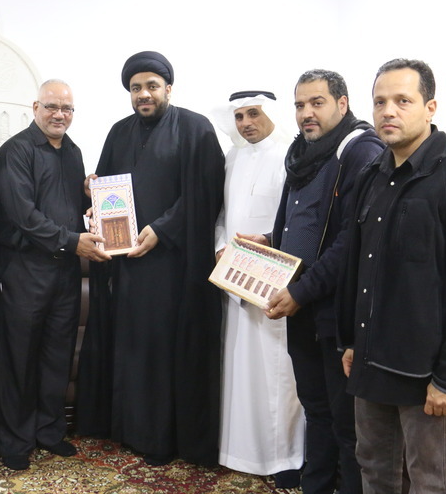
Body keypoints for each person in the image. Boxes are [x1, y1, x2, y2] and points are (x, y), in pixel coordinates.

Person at [338, 59, 446, 493]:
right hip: (371, 361)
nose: (388, 111)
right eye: (380, 102)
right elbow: (359, 266)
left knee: (429, 479)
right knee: (373, 468)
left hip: (426, 374)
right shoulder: (372, 175)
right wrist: (351, 340)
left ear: (430, 107)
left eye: (402, 101)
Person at [77, 51, 225, 466]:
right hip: (127, 265)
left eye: (152, 86)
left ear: (168, 89)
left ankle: (160, 438)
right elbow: (105, 186)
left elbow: (204, 191)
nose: (144, 94)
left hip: (173, 266)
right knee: (130, 347)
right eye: (136, 88)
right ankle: (128, 430)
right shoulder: (118, 131)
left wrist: (161, 229)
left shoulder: (195, 128)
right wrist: (94, 200)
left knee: (161, 350)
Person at [251, 69, 383, 494]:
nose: (306, 113)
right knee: (316, 410)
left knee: (347, 424)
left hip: (336, 314)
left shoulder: (360, 151)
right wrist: (271, 240)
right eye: (300, 105)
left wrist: (301, 291)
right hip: (302, 307)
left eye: (317, 103)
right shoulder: (303, 152)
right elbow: (305, 221)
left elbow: (350, 241)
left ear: (342, 104)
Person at [0, 79, 110, 470]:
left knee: (57, 356)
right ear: (35, 108)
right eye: (52, 107)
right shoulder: (15, 151)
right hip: (25, 271)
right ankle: (15, 440)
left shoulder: (72, 152)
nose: (60, 115)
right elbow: (23, 216)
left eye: (67, 108)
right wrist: (72, 241)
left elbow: (66, 206)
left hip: (65, 272)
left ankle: (48, 431)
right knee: (20, 358)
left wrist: (89, 196)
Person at [213, 91, 304, 486]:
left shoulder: (290, 158)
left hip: (274, 284)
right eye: (239, 116)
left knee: (276, 374)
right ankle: (236, 451)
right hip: (234, 280)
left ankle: (284, 458)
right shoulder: (231, 158)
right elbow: (221, 214)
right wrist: (220, 246)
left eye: (253, 113)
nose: (246, 123)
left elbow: (295, 221)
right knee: (237, 369)